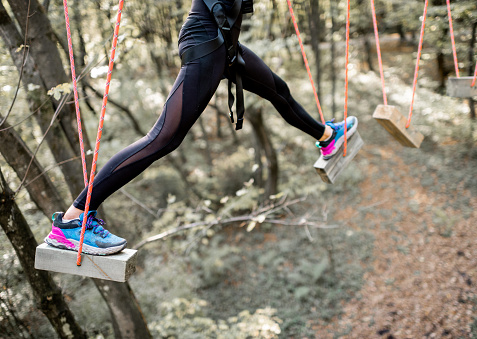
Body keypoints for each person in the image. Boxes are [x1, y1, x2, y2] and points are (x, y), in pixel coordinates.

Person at [45, 0, 359, 255]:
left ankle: (328, 137)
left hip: (227, 46)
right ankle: (72, 221)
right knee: (162, 138)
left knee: (278, 89)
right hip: (205, 42)